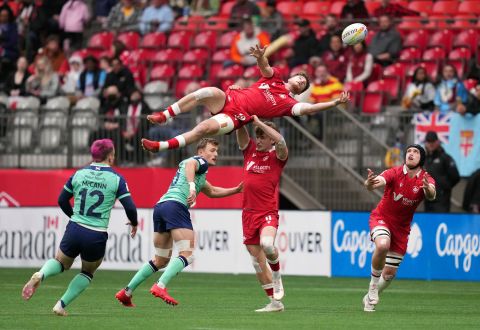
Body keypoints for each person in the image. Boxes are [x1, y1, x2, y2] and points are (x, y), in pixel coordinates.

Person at [141, 44, 350, 153]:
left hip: (237, 117)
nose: (300, 82)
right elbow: (265, 67)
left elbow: (309, 109)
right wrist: (260, 57)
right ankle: (164, 115)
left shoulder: (290, 104)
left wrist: (334, 103)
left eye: (303, 84)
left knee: (203, 129)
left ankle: (160, 146)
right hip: (230, 98)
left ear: (300, 90)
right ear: (292, 76)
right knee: (206, 91)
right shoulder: (276, 76)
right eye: (299, 78)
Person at [115, 138, 243, 307]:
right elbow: (191, 164)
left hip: (161, 207)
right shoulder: (199, 162)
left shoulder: (199, 174)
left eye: (217, 151)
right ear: (201, 152)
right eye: (212, 150)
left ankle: (127, 292)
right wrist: (191, 187)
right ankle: (160, 286)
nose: (216, 154)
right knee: (187, 254)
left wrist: (236, 190)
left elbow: (212, 191)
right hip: (175, 206)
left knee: (160, 260)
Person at [22, 139, 138, 316]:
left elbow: (62, 200)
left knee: (61, 262)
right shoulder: (116, 179)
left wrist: (75, 218)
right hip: (96, 234)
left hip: (75, 228)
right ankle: (60, 305)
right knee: (87, 272)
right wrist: (134, 223)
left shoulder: (79, 174)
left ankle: (41, 274)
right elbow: (129, 207)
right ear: (110, 156)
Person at [362, 144, 436, 312]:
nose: (411, 154)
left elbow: (432, 194)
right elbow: (375, 183)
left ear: (421, 158)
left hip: (402, 229)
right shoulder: (394, 172)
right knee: (382, 245)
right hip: (381, 218)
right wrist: (368, 184)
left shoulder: (426, 178)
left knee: (389, 275)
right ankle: (372, 287)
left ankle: (369, 296)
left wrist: (428, 189)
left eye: (415, 152)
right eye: (409, 151)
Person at [236, 116, 287, 312]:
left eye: (263, 137)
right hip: (248, 214)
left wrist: (258, 122)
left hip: (267, 212)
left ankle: (277, 277)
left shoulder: (278, 157)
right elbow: (241, 136)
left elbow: (281, 141)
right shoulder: (249, 152)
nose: (258, 140)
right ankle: (275, 303)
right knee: (257, 263)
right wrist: (239, 118)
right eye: (257, 137)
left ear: (271, 139)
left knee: (267, 244)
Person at [424, 131, 460, 213]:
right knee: (428, 224)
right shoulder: (425, 159)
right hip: (428, 200)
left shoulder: (445, 158)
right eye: (428, 142)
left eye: (432, 141)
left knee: (441, 223)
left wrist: (444, 188)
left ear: (437, 142)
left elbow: (455, 177)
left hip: (442, 201)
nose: (430, 144)